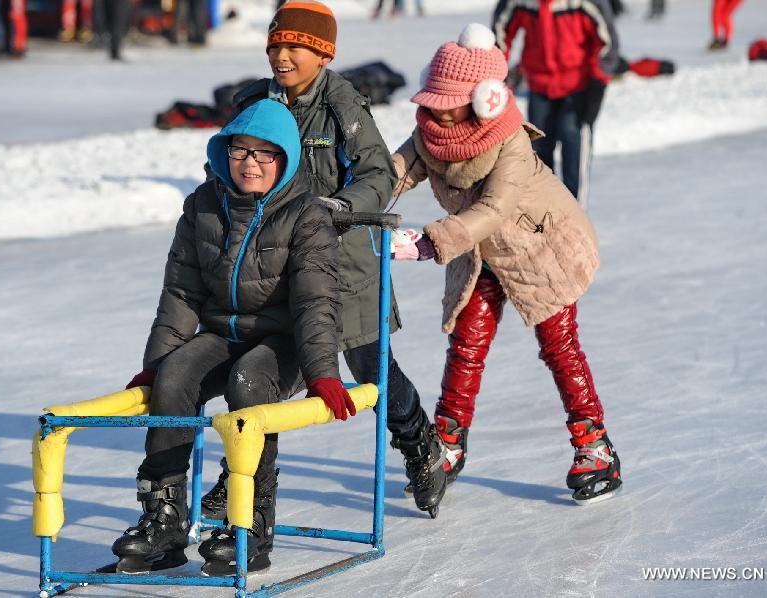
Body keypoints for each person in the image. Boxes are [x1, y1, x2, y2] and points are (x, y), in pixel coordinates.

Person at [198, 0, 448, 519]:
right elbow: (225, 161)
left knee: (369, 368)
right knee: (260, 369)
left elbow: (379, 175)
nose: (282, 55)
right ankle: (239, 476)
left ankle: (420, 442)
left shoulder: (342, 105)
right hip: (272, 268)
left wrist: (339, 207)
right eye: (275, 45)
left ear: (323, 54)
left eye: (295, 47)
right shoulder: (254, 101)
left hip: (344, 268)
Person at [111, 99, 355, 574]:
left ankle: (251, 519)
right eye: (241, 150)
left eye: (264, 154)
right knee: (176, 373)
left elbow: (315, 303)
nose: (250, 163)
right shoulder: (204, 204)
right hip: (224, 332)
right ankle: (164, 517)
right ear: (224, 153)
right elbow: (181, 293)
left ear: (284, 160)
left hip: (284, 344)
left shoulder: (306, 215)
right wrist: (157, 364)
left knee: (249, 380)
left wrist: (323, 372)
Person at [389, 24, 622, 504]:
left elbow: (494, 208)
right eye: (430, 97)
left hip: (539, 247)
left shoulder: (509, 139)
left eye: (445, 99)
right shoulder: (431, 131)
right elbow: (395, 171)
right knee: (467, 343)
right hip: (480, 254)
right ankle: (449, 441)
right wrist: (353, 202)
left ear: (484, 99)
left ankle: (594, 444)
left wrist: (432, 242)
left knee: (560, 346)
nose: (433, 107)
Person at [492, 0, 619, 209]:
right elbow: (501, 32)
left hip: (578, 86)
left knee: (573, 140)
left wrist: (598, 81)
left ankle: (575, 215)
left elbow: (607, 40)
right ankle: (545, 214)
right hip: (539, 85)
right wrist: (497, 72)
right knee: (539, 149)